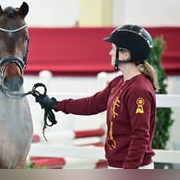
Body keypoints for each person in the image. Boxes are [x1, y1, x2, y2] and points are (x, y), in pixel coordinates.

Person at [36, 24, 158, 169]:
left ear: (126, 54)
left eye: (113, 48)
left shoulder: (139, 90)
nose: (110, 53)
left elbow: (140, 135)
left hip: (133, 167)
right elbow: (92, 104)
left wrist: (129, 170)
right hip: (118, 165)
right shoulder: (118, 82)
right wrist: (56, 104)